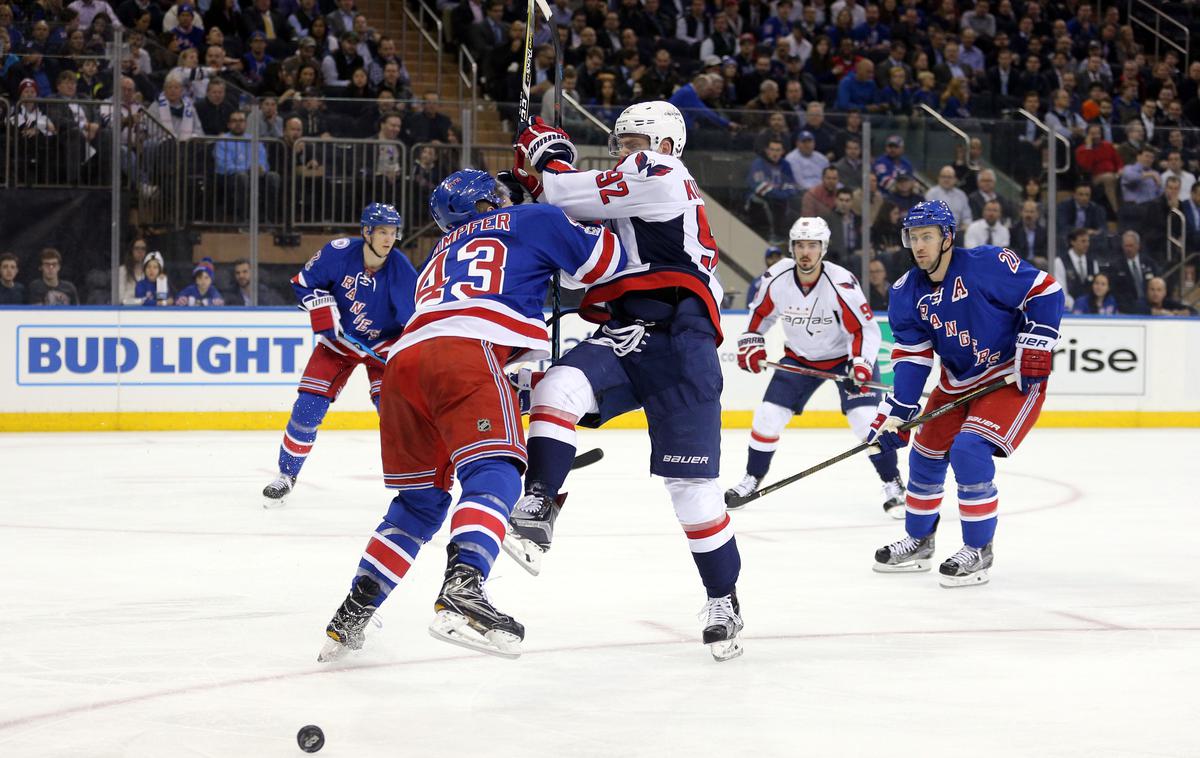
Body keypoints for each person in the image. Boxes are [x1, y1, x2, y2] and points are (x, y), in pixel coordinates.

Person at [317, 171, 626, 662]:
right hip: (467, 353)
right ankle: (463, 588)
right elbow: (609, 260)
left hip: (403, 367)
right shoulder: (532, 217)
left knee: (418, 505)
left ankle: (352, 614)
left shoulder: (437, 257)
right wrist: (563, 198)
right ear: (487, 201)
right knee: (495, 471)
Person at [508, 103, 745, 661]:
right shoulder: (626, 195)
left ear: (666, 144)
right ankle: (541, 501)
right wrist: (531, 197)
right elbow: (575, 265)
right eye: (618, 141)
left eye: (633, 138)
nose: (622, 149)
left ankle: (723, 599)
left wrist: (548, 162)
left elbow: (569, 192)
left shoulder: (663, 175)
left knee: (692, 491)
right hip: (624, 330)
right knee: (556, 389)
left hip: (681, 337)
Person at [869, 200, 1064, 586]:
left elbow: (1046, 290)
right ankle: (919, 540)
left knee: (969, 449)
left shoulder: (986, 264)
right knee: (925, 455)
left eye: (928, 236)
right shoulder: (906, 292)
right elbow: (911, 355)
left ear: (947, 237)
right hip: (958, 381)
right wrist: (899, 410)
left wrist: (1037, 341)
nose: (919, 245)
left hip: (1010, 377)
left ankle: (978, 549)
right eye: (913, 237)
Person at [725, 216, 906, 517]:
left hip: (846, 359)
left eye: (812, 245)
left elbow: (864, 329)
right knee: (768, 416)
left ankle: (894, 484)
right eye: (800, 245)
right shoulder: (776, 277)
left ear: (823, 248)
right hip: (799, 358)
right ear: (792, 248)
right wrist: (752, 341)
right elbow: (759, 318)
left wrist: (860, 365)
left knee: (865, 420)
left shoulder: (841, 282)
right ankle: (751, 479)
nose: (805, 252)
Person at [262, 204, 417, 507]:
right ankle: (286, 475)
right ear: (366, 232)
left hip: (383, 347)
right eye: (382, 231)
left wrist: (406, 354)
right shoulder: (338, 252)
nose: (389, 238)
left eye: (393, 232)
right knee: (308, 408)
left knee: (394, 414)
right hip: (338, 344)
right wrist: (320, 306)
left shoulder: (401, 269)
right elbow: (303, 285)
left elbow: (414, 321)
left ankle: (414, 486)